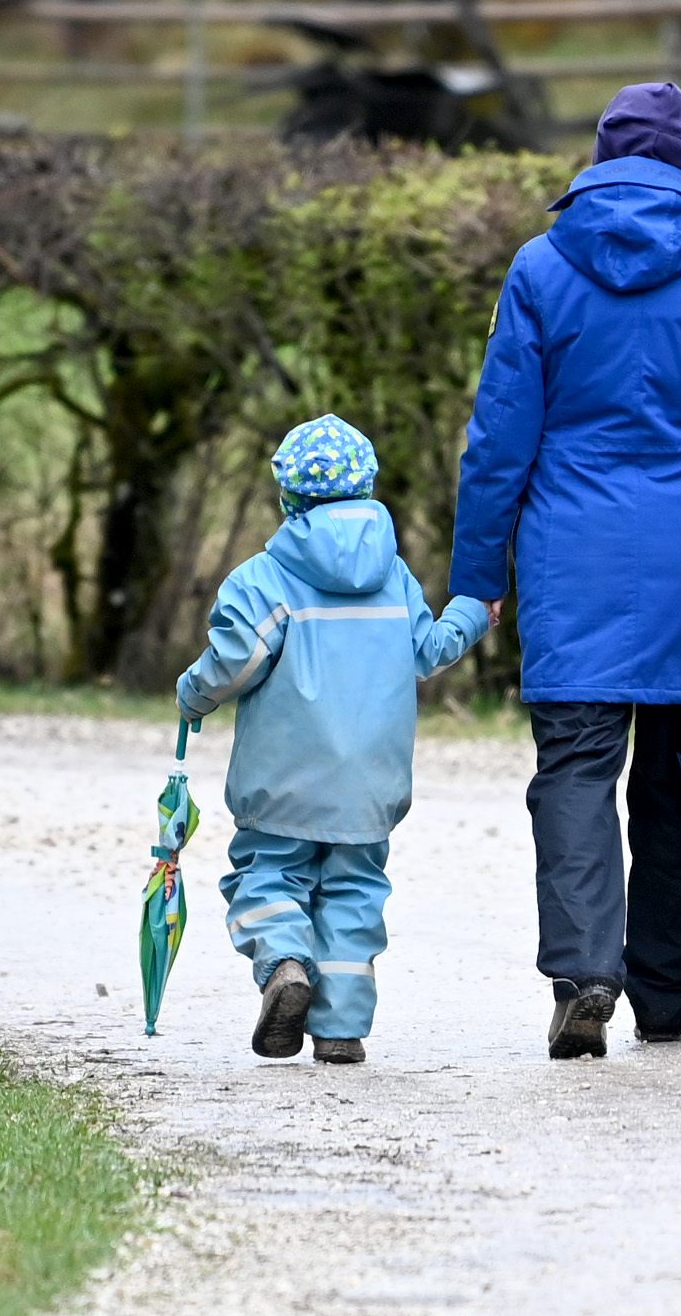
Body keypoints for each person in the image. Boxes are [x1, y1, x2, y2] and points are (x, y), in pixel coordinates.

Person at [450, 82, 681, 1061]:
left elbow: (497, 443)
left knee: (572, 768)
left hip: (568, 555)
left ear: (601, 159)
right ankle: (663, 993)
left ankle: (580, 974)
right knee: (674, 778)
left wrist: (479, 575)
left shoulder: (538, 268)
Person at [177, 415, 490, 1065]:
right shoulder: (394, 575)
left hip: (282, 781)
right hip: (369, 785)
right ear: (368, 489)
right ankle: (341, 1027)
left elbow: (235, 661)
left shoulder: (264, 577)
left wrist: (193, 692)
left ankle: (286, 961)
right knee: (353, 892)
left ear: (287, 497)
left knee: (267, 874)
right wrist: (470, 609)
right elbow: (429, 651)